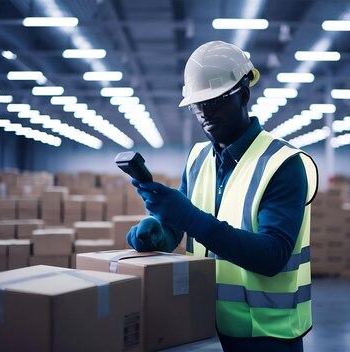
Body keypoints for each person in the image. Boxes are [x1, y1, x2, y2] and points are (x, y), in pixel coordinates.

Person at [126, 40, 318, 352]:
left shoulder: (282, 164)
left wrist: (186, 216)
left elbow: (272, 255)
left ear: (244, 95)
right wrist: (158, 235)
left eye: (214, 101)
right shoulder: (199, 157)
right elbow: (182, 229)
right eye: (197, 104)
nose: (204, 112)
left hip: (268, 337)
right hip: (207, 329)